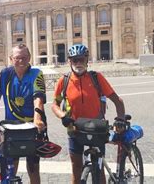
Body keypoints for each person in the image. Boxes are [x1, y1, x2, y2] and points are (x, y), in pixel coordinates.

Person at [51, 44, 125, 184]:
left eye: (81, 59)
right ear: (69, 61)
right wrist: (62, 116)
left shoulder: (97, 78)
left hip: (97, 128)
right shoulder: (64, 81)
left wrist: (120, 118)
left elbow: (117, 100)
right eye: (75, 60)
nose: (78, 63)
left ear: (87, 60)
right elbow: (55, 104)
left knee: (99, 167)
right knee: (76, 168)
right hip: (74, 128)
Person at [0, 44, 46, 184]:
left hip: (32, 127)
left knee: (33, 168)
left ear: (30, 58)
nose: (21, 61)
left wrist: (37, 119)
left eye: (24, 57)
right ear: (10, 59)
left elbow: (38, 98)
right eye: (17, 58)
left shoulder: (36, 74)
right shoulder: (4, 74)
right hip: (11, 128)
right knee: (10, 167)